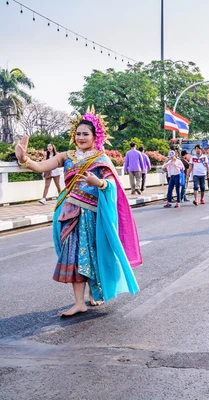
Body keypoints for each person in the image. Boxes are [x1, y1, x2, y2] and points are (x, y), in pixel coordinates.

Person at [14, 107, 141, 316]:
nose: (81, 137)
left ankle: (94, 291)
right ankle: (79, 302)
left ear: (95, 136)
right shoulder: (67, 156)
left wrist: (98, 182)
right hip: (69, 212)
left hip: (92, 215)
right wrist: (24, 159)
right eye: (78, 133)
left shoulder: (101, 158)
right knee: (73, 255)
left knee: (91, 254)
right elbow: (41, 166)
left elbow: (112, 185)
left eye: (85, 134)